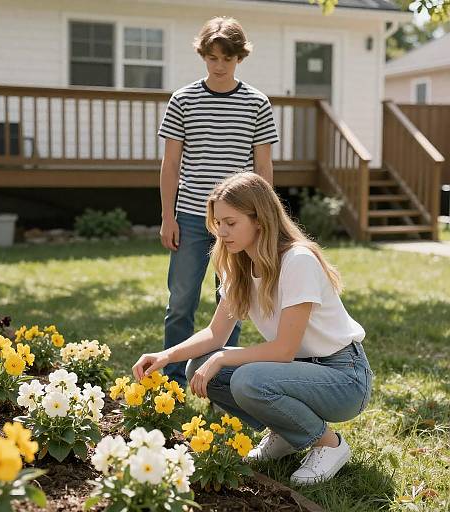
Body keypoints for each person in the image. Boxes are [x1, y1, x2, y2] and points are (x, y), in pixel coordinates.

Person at [133, 172, 373, 485]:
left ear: (259, 219)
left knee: (244, 377)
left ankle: (328, 444)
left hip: (344, 377)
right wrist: (165, 356)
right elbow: (215, 334)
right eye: (218, 223)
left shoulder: (297, 260)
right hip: (299, 370)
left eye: (231, 223)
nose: (222, 232)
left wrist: (221, 358)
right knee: (200, 366)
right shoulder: (240, 265)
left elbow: (283, 350)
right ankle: (288, 433)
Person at [158, 17, 279, 387]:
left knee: (235, 301)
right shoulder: (183, 99)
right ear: (203, 56)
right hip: (194, 217)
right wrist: (168, 217)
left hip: (240, 220)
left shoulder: (257, 103)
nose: (218, 65)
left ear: (239, 58)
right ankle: (174, 379)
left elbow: (262, 166)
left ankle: (220, 378)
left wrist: (260, 220)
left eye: (226, 58)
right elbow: (171, 163)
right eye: (212, 57)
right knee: (181, 301)